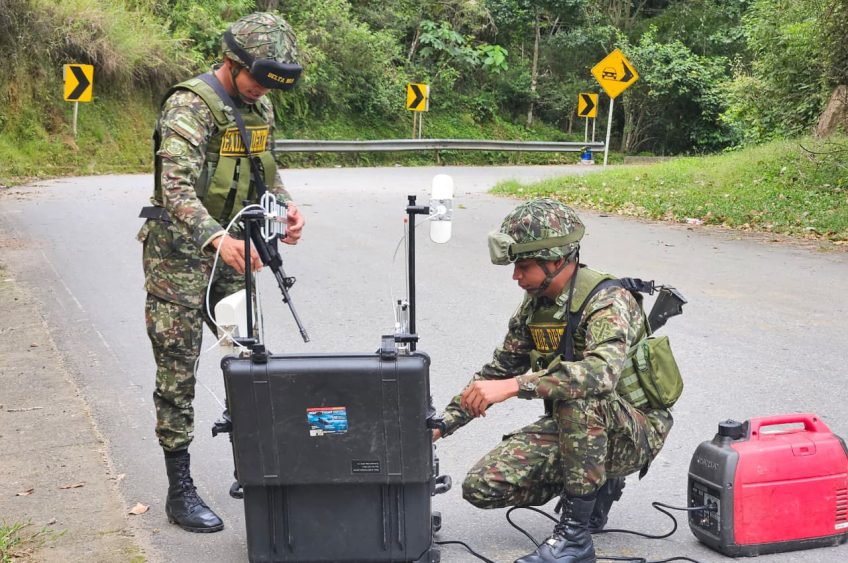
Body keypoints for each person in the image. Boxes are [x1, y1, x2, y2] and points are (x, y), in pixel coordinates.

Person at [136, 12, 305, 533]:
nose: (261, 92)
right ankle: (179, 488)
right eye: (256, 79)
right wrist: (216, 238)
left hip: (236, 254)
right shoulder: (189, 106)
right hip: (179, 262)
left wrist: (287, 209)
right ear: (232, 63)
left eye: (270, 85)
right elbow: (176, 189)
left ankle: (252, 464)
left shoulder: (261, 104)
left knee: (249, 359)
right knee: (178, 372)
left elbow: (264, 172)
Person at [433, 199, 674, 563]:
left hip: (636, 429)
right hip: (583, 429)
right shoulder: (536, 306)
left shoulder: (609, 300)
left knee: (582, 396)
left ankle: (575, 538)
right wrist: (440, 425)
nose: (516, 276)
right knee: (481, 486)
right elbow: (498, 371)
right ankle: (596, 480)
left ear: (557, 259)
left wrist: (518, 385)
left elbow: (600, 374)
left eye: (524, 265)